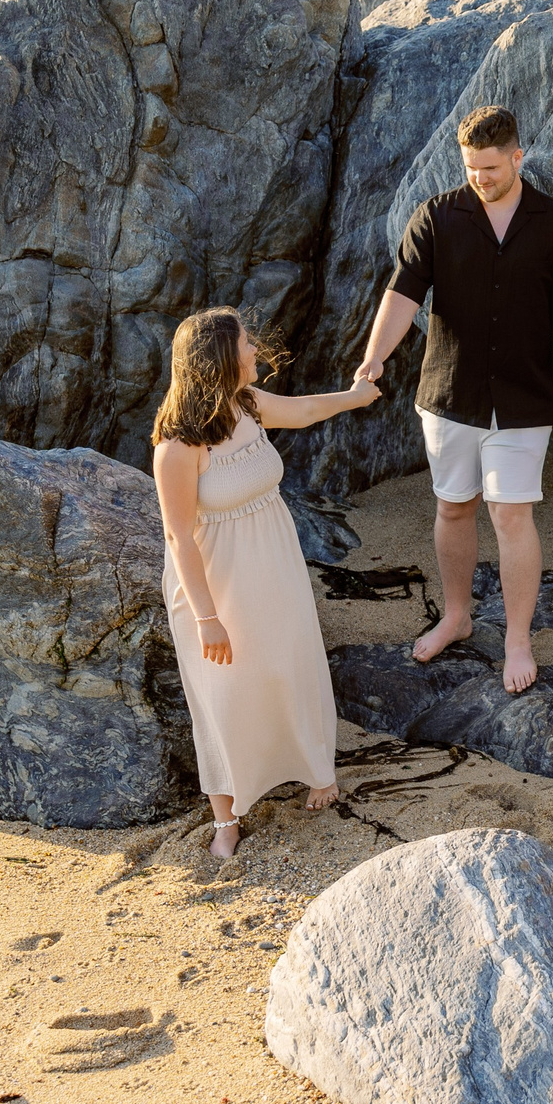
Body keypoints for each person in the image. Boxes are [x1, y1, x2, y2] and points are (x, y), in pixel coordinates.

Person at [354, 104, 553, 694]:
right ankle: (457, 615)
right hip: (447, 394)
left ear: (518, 157)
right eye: (471, 167)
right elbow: (403, 295)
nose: (480, 178)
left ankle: (517, 639)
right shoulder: (437, 216)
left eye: (490, 168)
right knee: (453, 506)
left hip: (523, 400)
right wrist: (375, 357)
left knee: (511, 515)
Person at [152, 307, 380, 860]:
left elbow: (302, 411)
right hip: (213, 585)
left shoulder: (247, 406)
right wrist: (208, 616)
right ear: (219, 360)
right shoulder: (178, 447)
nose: (255, 351)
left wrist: (353, 396)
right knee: (223, 694)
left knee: (290, 662)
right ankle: (226, 817)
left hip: (273, 565)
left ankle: (313, 767)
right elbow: (179, 538)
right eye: (246, 344)